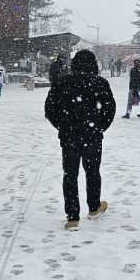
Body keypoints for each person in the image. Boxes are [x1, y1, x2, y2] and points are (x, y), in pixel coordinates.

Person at [45, 50, 116, 230]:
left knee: (70, 174)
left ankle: (72, 216)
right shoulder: (100, 83)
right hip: (92, 135)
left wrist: (62, 126)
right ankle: (93, 206)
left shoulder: (62, 83)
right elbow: (109, 110)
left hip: (69, 135)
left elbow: (50, 109)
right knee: (92, 171)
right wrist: (99, 127)